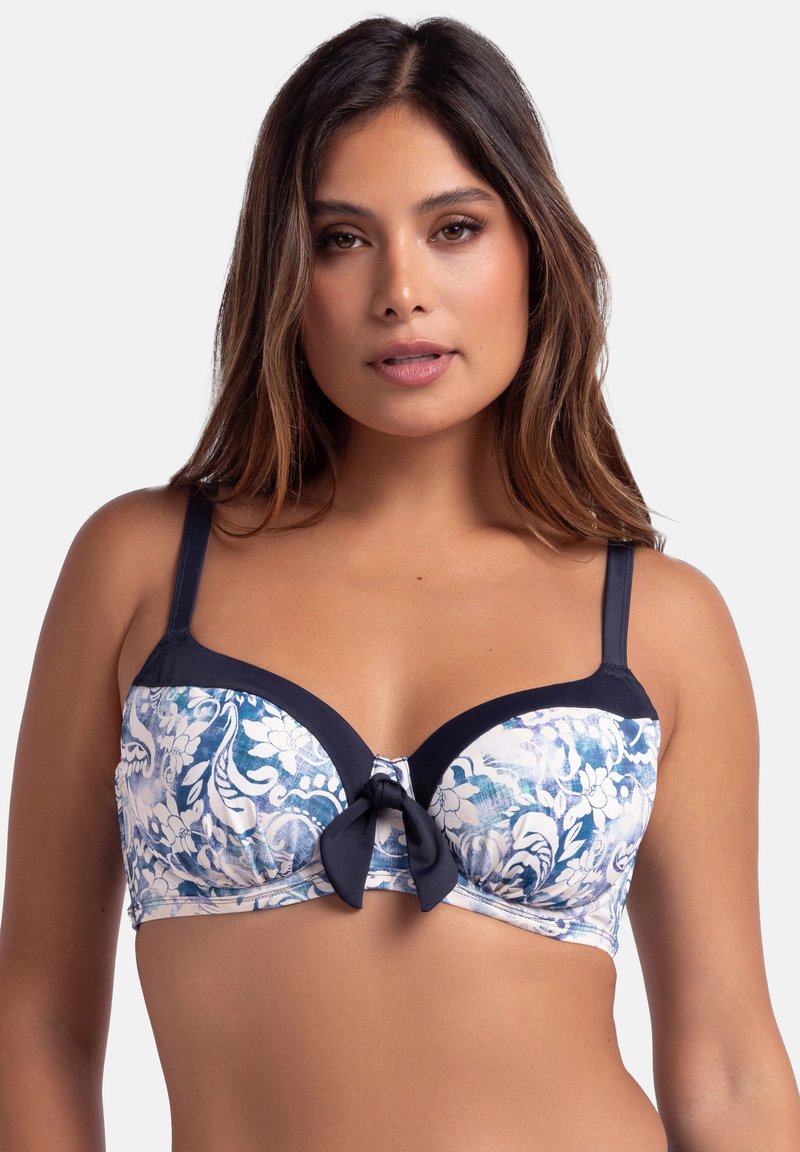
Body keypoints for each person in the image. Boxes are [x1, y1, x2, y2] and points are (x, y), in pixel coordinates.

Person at [0, 13, 797, 1152]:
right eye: (341, 239)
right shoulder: (141, 568)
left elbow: (728, 1067)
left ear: (532, 250)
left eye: (454, 228)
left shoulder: (659, 619)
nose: (400, 291)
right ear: (284, 274)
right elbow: (36, 1020)